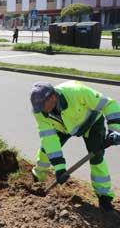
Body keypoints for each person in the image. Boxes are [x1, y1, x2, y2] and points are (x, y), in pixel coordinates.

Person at [30, 80, 120, 212]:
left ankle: (104, 197)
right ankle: (38, 177)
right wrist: (60, 168)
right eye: (38, 108)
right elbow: (49, 139)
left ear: (53, 97)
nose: (42, 111)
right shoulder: (40, 112)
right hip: (63, 128)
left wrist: (115, 130)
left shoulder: (76, 92)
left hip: (92, 123)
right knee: (45, 151)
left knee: (96, 158)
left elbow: (109, 104)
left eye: (43, 106)